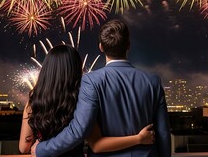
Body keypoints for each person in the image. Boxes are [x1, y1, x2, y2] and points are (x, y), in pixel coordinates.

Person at [33, 19, 171, 157]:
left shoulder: (91, 81)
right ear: (128, 46)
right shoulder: (152, 81)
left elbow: (79, 130)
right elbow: (163, 132)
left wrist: (42, 149)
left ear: (101, 47)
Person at [19, 44, 156, 156]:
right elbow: (95, 143)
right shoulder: (80, 99)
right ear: (76, 68)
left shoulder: (33, 101)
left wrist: (40, 146)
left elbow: (24, 148)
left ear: (46, 70)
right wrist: (138, 139)